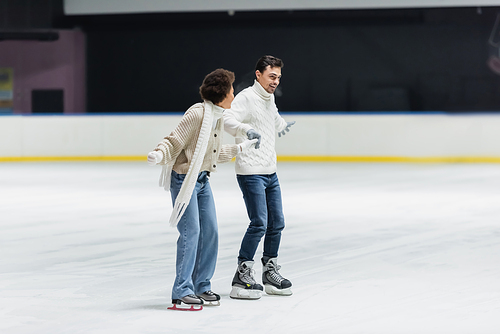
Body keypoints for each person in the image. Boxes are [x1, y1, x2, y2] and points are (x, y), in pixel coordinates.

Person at [147, 68, 258, 311]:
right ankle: (182, 290)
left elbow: (213, 154)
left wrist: (242, 148)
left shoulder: (216, 117)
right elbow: (175, 140)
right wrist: (159, 154)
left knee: (211, 232)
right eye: (231, 89)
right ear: (221, 92)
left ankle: (201, 284)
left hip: (203, 181)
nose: (233, 93)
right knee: (191, 233)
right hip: (184, 180)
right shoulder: (198, 114)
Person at [223, 55, 295, 299]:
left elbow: (272, 115)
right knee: (259, 223)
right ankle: (242, 273)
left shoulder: (269, 97)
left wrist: (281, 124)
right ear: (258, 74)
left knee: (278, 222)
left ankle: (269, 270)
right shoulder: (246, 98)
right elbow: (227, 120)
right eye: (271, 76)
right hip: (251, 171)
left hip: (269, 170)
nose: (275, 81)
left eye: (278, 77)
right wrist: (245, 129)